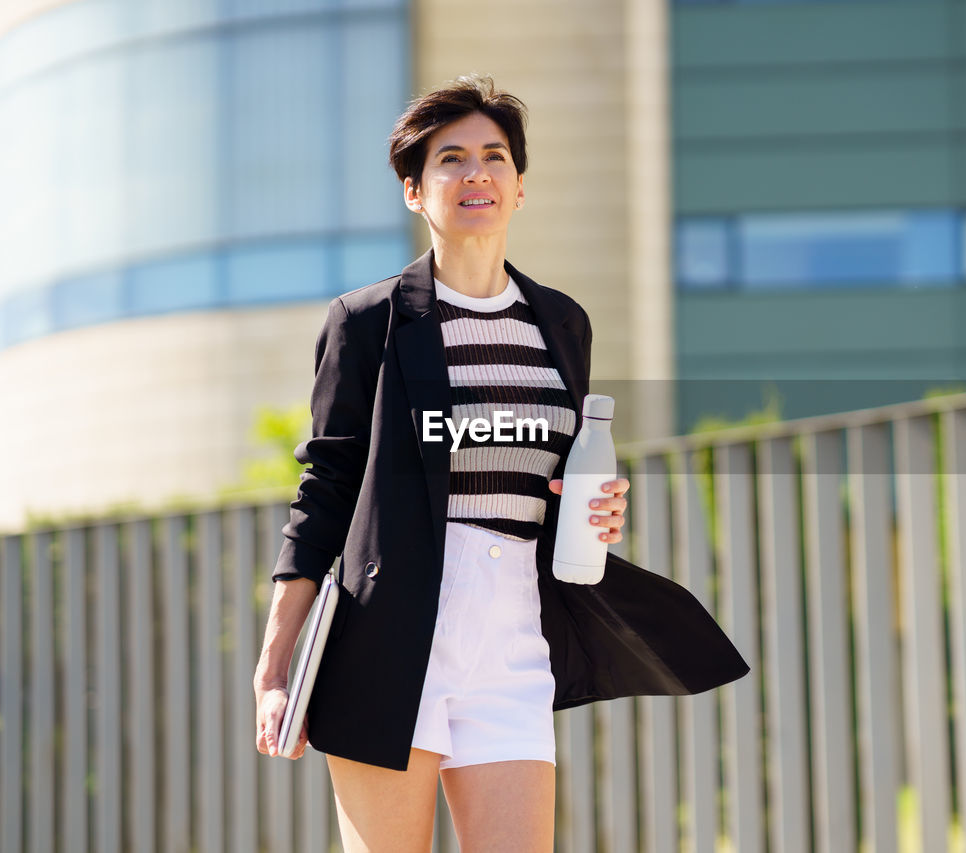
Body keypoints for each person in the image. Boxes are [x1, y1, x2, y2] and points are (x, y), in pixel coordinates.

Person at [253, 75, 747, 853]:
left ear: (520, 187)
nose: (475, 172)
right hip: (391, 632)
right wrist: (276, 663)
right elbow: (326, 487)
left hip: (514, 634)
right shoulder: (368, 320)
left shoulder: (561, 322)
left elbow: (553, 469)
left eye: (494, 156)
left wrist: (594, 509)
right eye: (450, 159)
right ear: (415, 191)